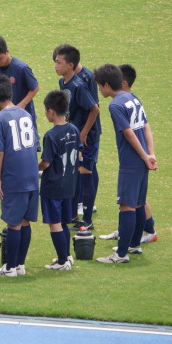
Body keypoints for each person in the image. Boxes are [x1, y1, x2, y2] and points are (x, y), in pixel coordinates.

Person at [93, 64, 157, 263]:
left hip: (131, 163)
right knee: (138, 204)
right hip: (142, 161)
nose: (99, 90)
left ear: (106, 85)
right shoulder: (132, 98)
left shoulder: (115, 105)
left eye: (99, 86)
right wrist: (150, 154)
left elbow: (128, 133)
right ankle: (134, 245)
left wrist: (145, 157)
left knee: (127, 206)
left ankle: (120, 255)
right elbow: (147, 127)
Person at [0, 75, 38, 277]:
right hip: (32, 175)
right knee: (25, 221)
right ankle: (20, 265)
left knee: (13, 223)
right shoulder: (25, 114)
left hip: (14, 177)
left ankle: (10, 267)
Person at [0, 36, 40, 199]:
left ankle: (33, 185)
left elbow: (35, 87)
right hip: (6, 118)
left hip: (24, 117)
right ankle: (5, 187)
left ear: (7, 52)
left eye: (0, 58)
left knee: (28, 150)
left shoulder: (21, 68)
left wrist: (21, 105)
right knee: (6, 151)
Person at [53, 45, 100, 231]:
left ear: (70, 65)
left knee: (85, 173)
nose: (55, 66)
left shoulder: (79, 85)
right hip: (73, 135)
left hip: (87, 137)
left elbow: (94, 108)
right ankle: (74, 215)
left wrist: (84, 133)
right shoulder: (63, 83)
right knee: (75, 173)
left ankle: (87, 219)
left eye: (59, 62)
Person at [38, 90, 81, 270]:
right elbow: (78, 155)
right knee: (63, 222)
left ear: (50, 111)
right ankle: (67, 256)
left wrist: (34, 168)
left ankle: (63, 261)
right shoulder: (74, 129)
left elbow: (46, 163)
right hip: (69, 185)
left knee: (55, 223)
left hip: (53, 187)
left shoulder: (51, 135)